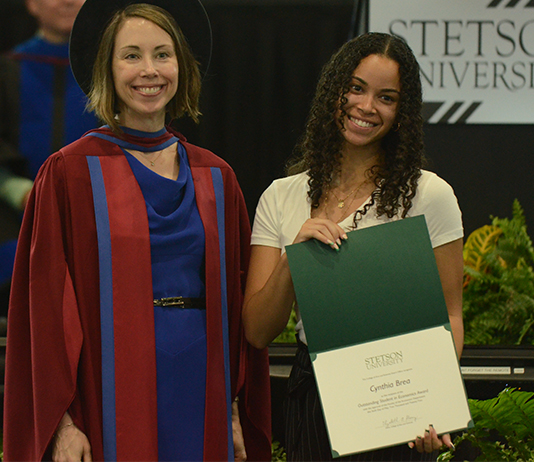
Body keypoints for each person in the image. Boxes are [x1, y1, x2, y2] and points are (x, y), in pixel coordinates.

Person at [3, 0, 271, 460]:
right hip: (110, 389)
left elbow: (234, 309)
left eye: (162, 54)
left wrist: (232, 414)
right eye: (131, 55)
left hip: (200, 385)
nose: (149, 70)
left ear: (181, 66)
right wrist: (64, 424)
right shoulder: (70, 174)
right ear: (107, 68)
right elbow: (45, 308)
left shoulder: (216, 177)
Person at [242, 32, 464, 461]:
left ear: (401, 112)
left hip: (404, 400)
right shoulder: (281, 197)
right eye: (356, 88)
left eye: (386, 97)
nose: (366, 107)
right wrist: (293, 260)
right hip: (315, 399)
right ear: (333, 92)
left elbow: (450, 314)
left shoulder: (429, 195)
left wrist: (434, 404)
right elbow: (256, 330)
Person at [0, 0, 98, 316]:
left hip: (96, 220)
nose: (68, 1)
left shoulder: (113, 73)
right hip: (12, 222)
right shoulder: (7, 70)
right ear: (31, 4)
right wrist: (18, 191)